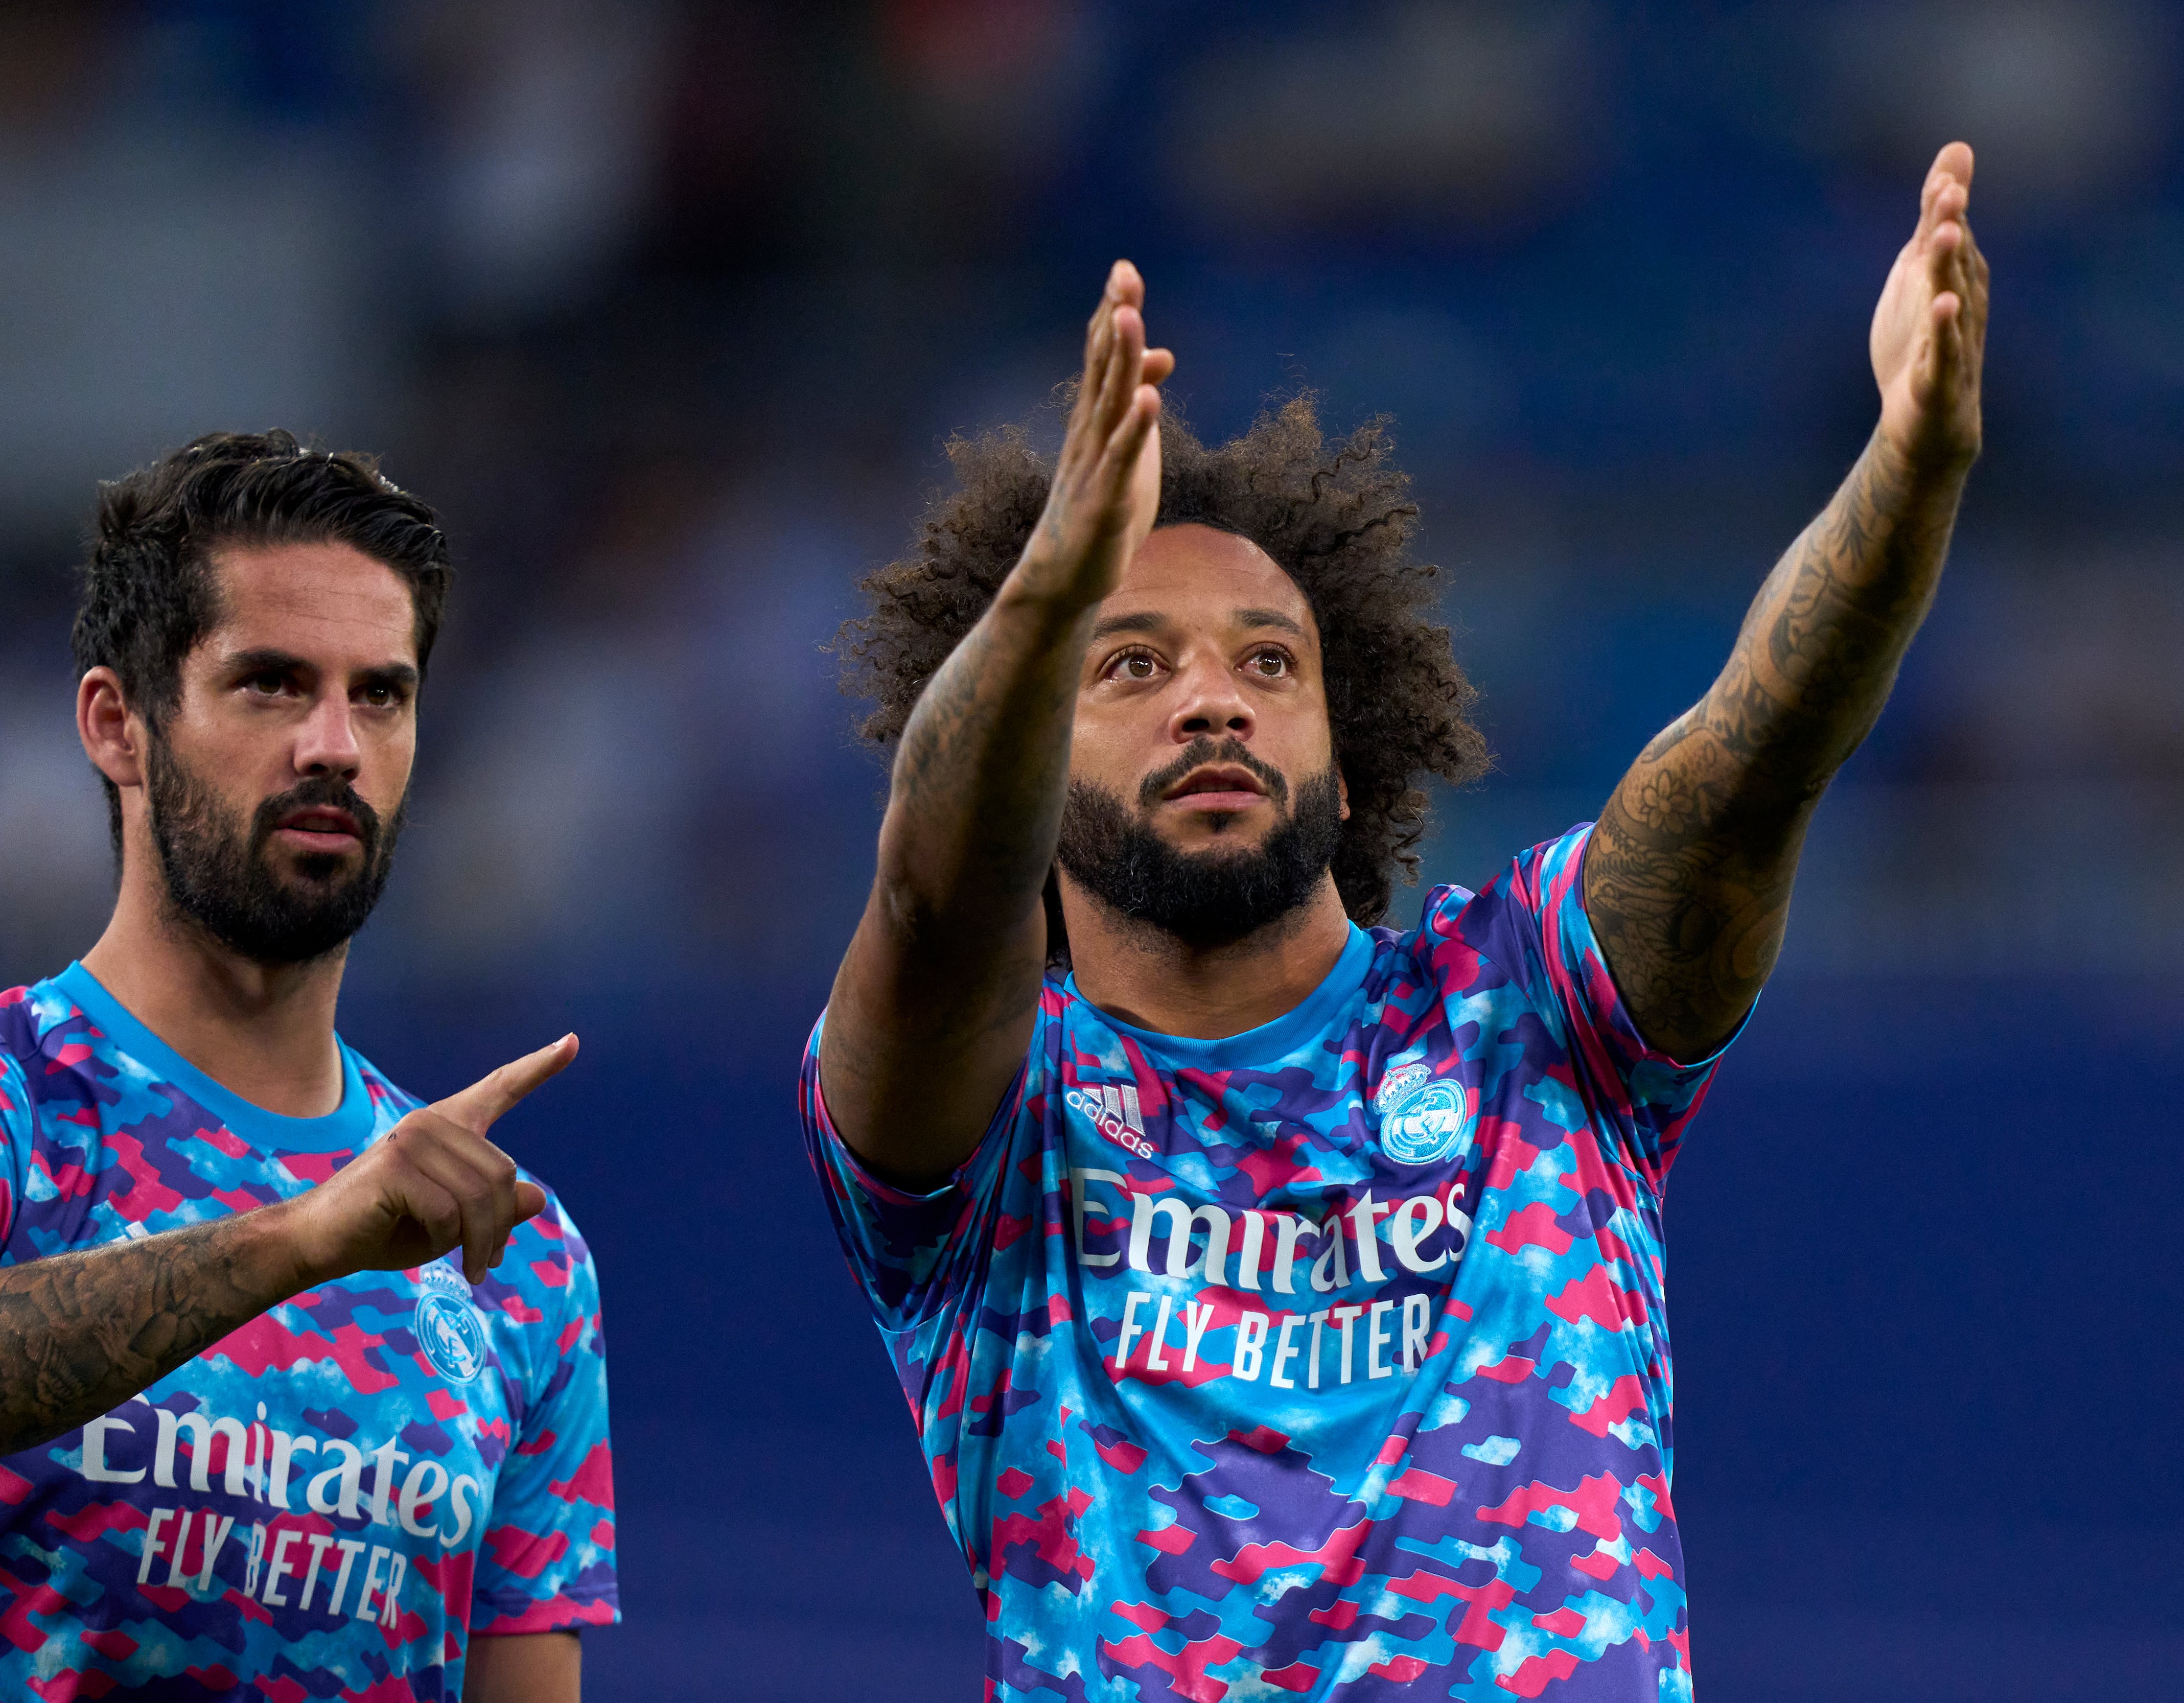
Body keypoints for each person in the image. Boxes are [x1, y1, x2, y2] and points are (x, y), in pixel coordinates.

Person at [801, 144, 1987, 1698]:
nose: (1215, 695)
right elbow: (930, 892)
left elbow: (1750, 765)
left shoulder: (1533, 1002)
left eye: (1268, 662)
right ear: (1032, 761)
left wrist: (1907, 463)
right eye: (1132, 664)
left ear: (1348, 768)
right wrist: (1043, 594)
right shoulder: (987, 1124)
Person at [0, 434, 616, 1701]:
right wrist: (304, 1237)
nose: (334, 743)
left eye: (379, 694)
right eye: (272, 684)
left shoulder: (513, 1252)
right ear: (120, 724)